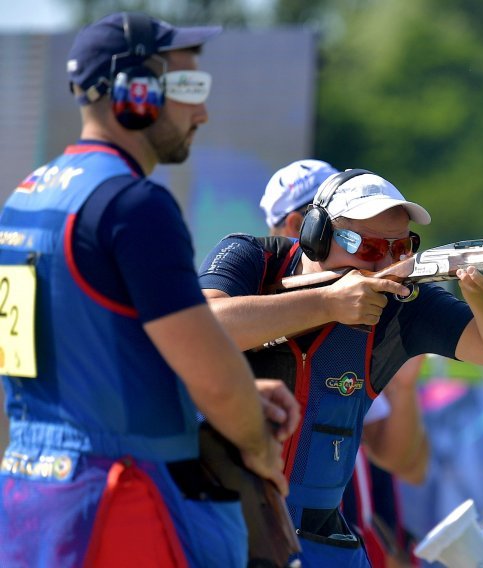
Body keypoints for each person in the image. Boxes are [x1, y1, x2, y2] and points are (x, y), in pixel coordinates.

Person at [0, 12, 299, 567]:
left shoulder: (24, 199)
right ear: (134, 91)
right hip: (123, 504)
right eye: (189, 86)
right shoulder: (135, 207)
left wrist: (183, 399)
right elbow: (214, 376)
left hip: (32, 502)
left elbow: (80, 356)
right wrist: (258, 445)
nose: (202, 110)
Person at [198, 167, 483, 566]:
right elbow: (203, 328)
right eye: (371, 248)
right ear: (316, 236)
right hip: (217, 521)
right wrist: (326, 304)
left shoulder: (403, 306)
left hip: (320, 541)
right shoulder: (254, 259)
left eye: (402, 247)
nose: (387, 263)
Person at [261, 160, 430, 567]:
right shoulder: (252, 302)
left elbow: (406, 464)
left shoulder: (370, 321)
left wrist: (404, 390)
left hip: (350, 541)